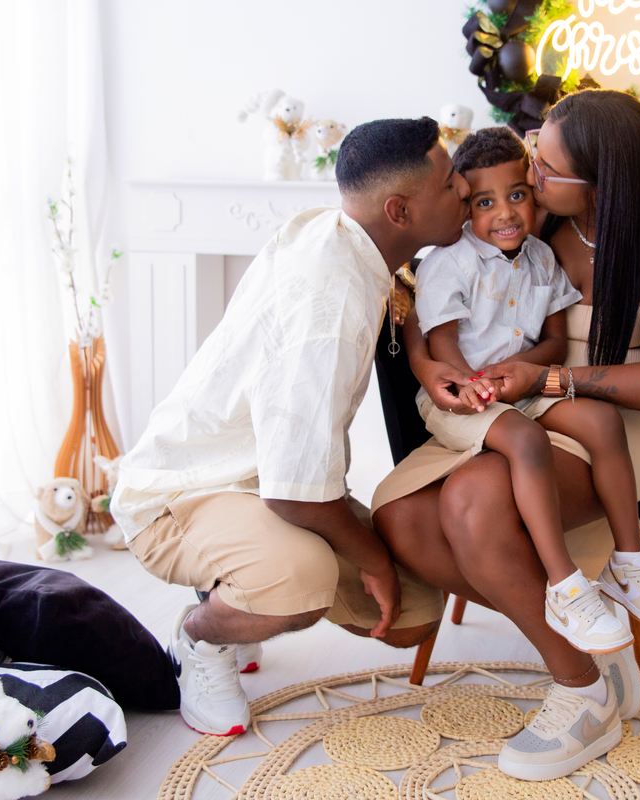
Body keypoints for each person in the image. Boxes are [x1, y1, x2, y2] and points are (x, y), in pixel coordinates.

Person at [372, 89, 640, 781]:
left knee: (471, 506)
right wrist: (437, 364)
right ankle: (595, 646)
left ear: (598, 182)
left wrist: (556, 382)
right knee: (403, 523)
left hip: (609, 433)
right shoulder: (532, 227)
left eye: (543, 166)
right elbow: (436, 288)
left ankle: (580, 688)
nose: (529, 175)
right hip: (516, 409)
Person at [108, 117, 472, 737]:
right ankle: (200, 640)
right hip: (184, 493)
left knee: (414, 614)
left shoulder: (345, 235)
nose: (464, 189)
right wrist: (373, 563)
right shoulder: (328, 305)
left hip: (268, 478)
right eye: (450, 182)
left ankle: (232, 587)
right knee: (300, 582)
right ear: (399, 210)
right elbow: (293, 491)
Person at [415, 126, 640, 656]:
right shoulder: (447, 264)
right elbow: (442, 348)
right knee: (525, 441)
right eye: (485, 202)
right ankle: (564, 584)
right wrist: (480, 387)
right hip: (461, 397)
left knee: (600, 420)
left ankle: (630, 564)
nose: (505, 213)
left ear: (533, 193)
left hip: (518, 388)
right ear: (464, 207)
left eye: (517, 195)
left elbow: (551, 343)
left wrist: (518, 371)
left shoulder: (542, 259)